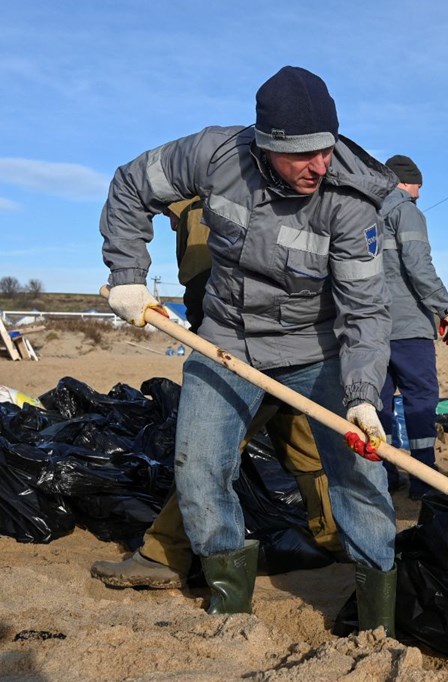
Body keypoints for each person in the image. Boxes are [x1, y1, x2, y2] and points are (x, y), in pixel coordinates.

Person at [99, 66, 397, 635]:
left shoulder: (351, 199)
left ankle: (378, 614)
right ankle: (229, 608)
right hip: (226, 340)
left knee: (359, 472)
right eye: (302, 155)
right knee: (199, 465)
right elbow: (131, 184)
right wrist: (129, 272)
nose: (319, 166)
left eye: (326, 150)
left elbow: (364, 310)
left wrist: (361, 395)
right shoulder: (214, 155)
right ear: (265, 145)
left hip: (320, 350)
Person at [91, 197, 342, 589]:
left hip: (241, 350)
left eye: (166, 216)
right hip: (287, 340)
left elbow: (204, 289)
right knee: (305, 443)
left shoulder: (197, 215)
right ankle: (335, 536)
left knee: (210, 450)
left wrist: (209, 341)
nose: (168, 225)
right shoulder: (236, 202)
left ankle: (164, 554)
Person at [376, 154, 448, 500]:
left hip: (372, 326)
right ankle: (423, 476)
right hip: (409, 325)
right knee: (421, 400)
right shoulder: (405, 210)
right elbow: (419, 266)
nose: (419, 195)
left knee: (379, 401)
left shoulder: (365, 213)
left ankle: (383, 473)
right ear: (405, 182)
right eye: (417, 186)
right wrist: (444, 308)